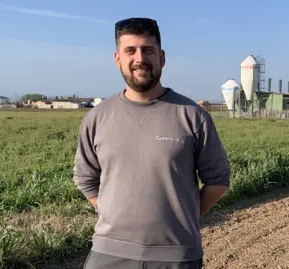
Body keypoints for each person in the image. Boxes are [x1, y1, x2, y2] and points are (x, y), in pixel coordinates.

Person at [73, 17, 231, 269]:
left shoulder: (192, 116)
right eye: (130, 50)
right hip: (108, 255)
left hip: (176, 256)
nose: (139, 58)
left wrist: (182, 218)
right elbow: (85, 178)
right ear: (117, 59)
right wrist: (112, 213)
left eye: (148, 50)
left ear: (162, 57)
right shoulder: (98, 117)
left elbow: (218, 179)